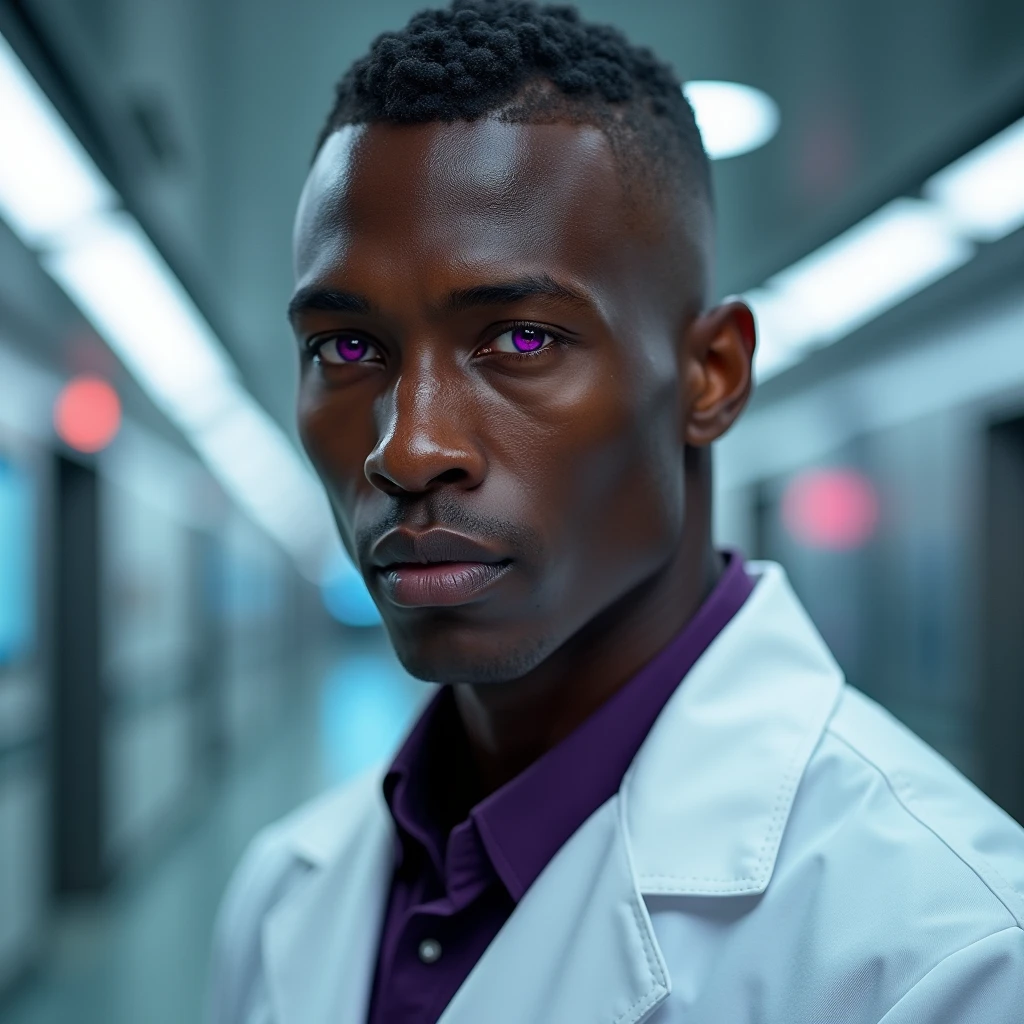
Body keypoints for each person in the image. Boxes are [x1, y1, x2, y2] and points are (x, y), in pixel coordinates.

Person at [208, 2, 1024, 1021]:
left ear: (709, 375)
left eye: (518, 341)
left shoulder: (950, 955)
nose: (407, 447)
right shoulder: (284, 890)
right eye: (346, 349)